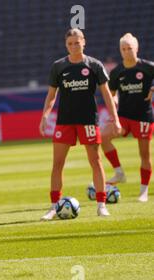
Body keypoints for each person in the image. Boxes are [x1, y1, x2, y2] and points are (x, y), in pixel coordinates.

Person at [39, 28, 122, 220]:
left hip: (88, 120)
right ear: (65, 45)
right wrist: (45, 116)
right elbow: (51, 96)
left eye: (77, 42)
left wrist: (114, 118)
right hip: (65, 121)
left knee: (96, 161)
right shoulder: (58, 66)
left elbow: (106, 94)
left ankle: (101, 205)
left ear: (84, 42)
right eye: (70, 44)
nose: (74, 46)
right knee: (57, 164)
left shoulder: (94, 65)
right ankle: (53, 207)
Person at [101, 33, 154, 202]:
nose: (126, 52)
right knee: (103, 137)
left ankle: (143, 191)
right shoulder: (117, 72)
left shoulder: (148, 67)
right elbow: (113, 94)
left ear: (136, 48)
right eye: (123, 49)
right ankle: (119, 172)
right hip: (123, 116)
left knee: (144, 155)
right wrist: (114, 101)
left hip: (143, 116)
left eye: (129, 48)